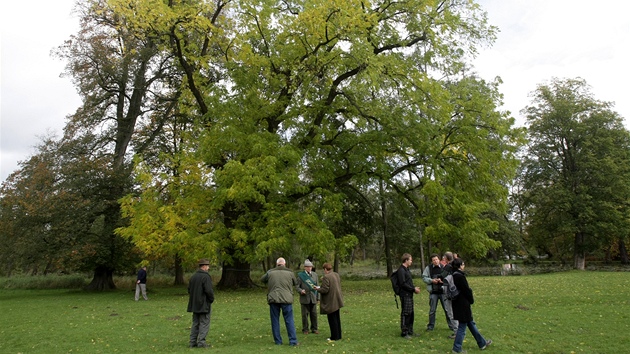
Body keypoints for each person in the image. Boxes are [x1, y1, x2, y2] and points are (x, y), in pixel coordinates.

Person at [451, 258, 492, 353]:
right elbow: (466, 290)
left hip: (457, 302)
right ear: (460, 265)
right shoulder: (460, 277)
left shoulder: (453, 275)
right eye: (463, 264)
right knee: (462, 327)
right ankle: (457, 348)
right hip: (462, 304)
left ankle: (482, 343)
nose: (464, 266)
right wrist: (471, 299)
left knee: (470, 323)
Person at [261, 257, 299, 346]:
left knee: (275, 320)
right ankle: (292, 341)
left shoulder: (270, 272)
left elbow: (262, 279)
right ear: (284, 264)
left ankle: (278, 341)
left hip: (273, 299)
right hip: (286, 299)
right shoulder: (290, 272)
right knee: (289, 320)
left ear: (276, 264)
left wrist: (268, 273)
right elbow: (295, 282)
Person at [422, 254, 457, 335]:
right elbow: (424, 277)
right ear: (432, 261)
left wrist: (442, 281)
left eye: (437, 259)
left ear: (439, 259)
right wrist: (431, 280)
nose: (436, 261)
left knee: (447, 310)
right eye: (434, 260)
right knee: (432, 310)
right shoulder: (428, 268)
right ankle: (430, 326)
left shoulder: (444, 267)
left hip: (443, 292)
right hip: (433, 292)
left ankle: (451, 326)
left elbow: (449, 277)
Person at [187, 259, 215, 348]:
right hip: (203, 304)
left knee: (195, 323)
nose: (208, 267)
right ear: (204, 266)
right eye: (207, 266)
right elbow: (209, 291)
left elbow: (189, 290)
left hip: (194, 304)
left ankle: (192, 342)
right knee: (204, 322)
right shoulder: (206, 277)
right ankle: (201, 342)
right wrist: (211, 299)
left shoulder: (193, 277)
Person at [316, 262, 344, 341]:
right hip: (337, 299)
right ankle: (338, 335)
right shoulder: (336, 274)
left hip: (331, 301)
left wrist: (318, 289)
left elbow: (325, 290)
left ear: (325, 269)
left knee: (332, 319)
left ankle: (334, 337)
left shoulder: (326, 277)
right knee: (337, 318)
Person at [397, 253, 421, 339]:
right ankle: (404, 332)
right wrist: (413, 289)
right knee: (406, 313)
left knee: (411, 313)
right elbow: (403, 284)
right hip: (405, 294)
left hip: (409, 294)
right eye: (410, 260)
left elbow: (408, 282)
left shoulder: (407, 270)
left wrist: (413, 288)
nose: (411, 261)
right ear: (406, 260)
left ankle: (410, 330)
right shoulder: (401, 270)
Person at [297, 259, 319, 335]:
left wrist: (318, 298)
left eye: (311, 267)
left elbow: (317, 287)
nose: (309, 268)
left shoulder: (315, 275)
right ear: (305, 267)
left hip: (313, 297)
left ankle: (314, 328)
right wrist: (301, 291)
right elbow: (297, 287)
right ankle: (305, 329)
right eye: (308, 267)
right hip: (304, 298)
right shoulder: (300, 276)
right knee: (305, 315)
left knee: (314, 314)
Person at [441, 252, 459, 338]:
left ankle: (456, 331)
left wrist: (438, 278)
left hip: (449, 291)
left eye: (444, 258)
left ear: (447, 258)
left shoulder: (448, 266)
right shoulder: (456, 265)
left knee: (450, 311)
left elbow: (442, 276)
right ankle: (458, 329)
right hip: (456, 290)